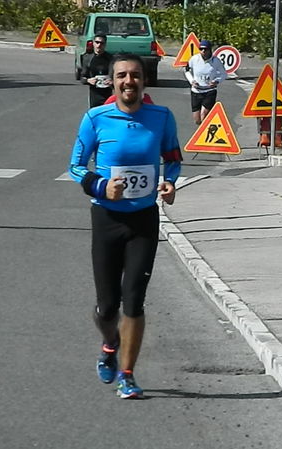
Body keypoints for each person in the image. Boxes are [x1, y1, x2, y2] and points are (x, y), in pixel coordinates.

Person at [69, 53, 183, 398]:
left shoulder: (161, 117)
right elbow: (76, 166)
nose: (128, 81)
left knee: (134, 299)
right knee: (108, 305)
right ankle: (110, 343)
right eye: (122, 76)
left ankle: (128, 374)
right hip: (106, 218)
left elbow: (173, 158)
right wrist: (102, 186)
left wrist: (170, 182)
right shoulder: (96, 118)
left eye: (135, 75)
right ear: (112, 81)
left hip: (144, 219)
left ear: (143, 81)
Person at [184, 39, 227, 125]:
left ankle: (203, 136)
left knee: (204, 115)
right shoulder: (194, 59)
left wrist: (216, 81)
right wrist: (192, 81)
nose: (203, 51)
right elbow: (187, 71)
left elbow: (224, 74)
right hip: (196, 91)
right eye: (201, 49)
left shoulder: (216, 61)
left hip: (209, 91)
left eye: (205, 49)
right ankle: (203, 130)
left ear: (210, 49)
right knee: (197, 120)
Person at [80, 33, 114, 108]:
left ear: (105, 44)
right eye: (97, 42)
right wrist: (88, 80)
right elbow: (82, 78)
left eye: (101, 43)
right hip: (94, 95)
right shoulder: (88, 58)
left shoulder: (111, 58)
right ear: (93, 43)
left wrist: (112, 81)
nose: (99, 45)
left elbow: (116, 76)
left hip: (107, 95)